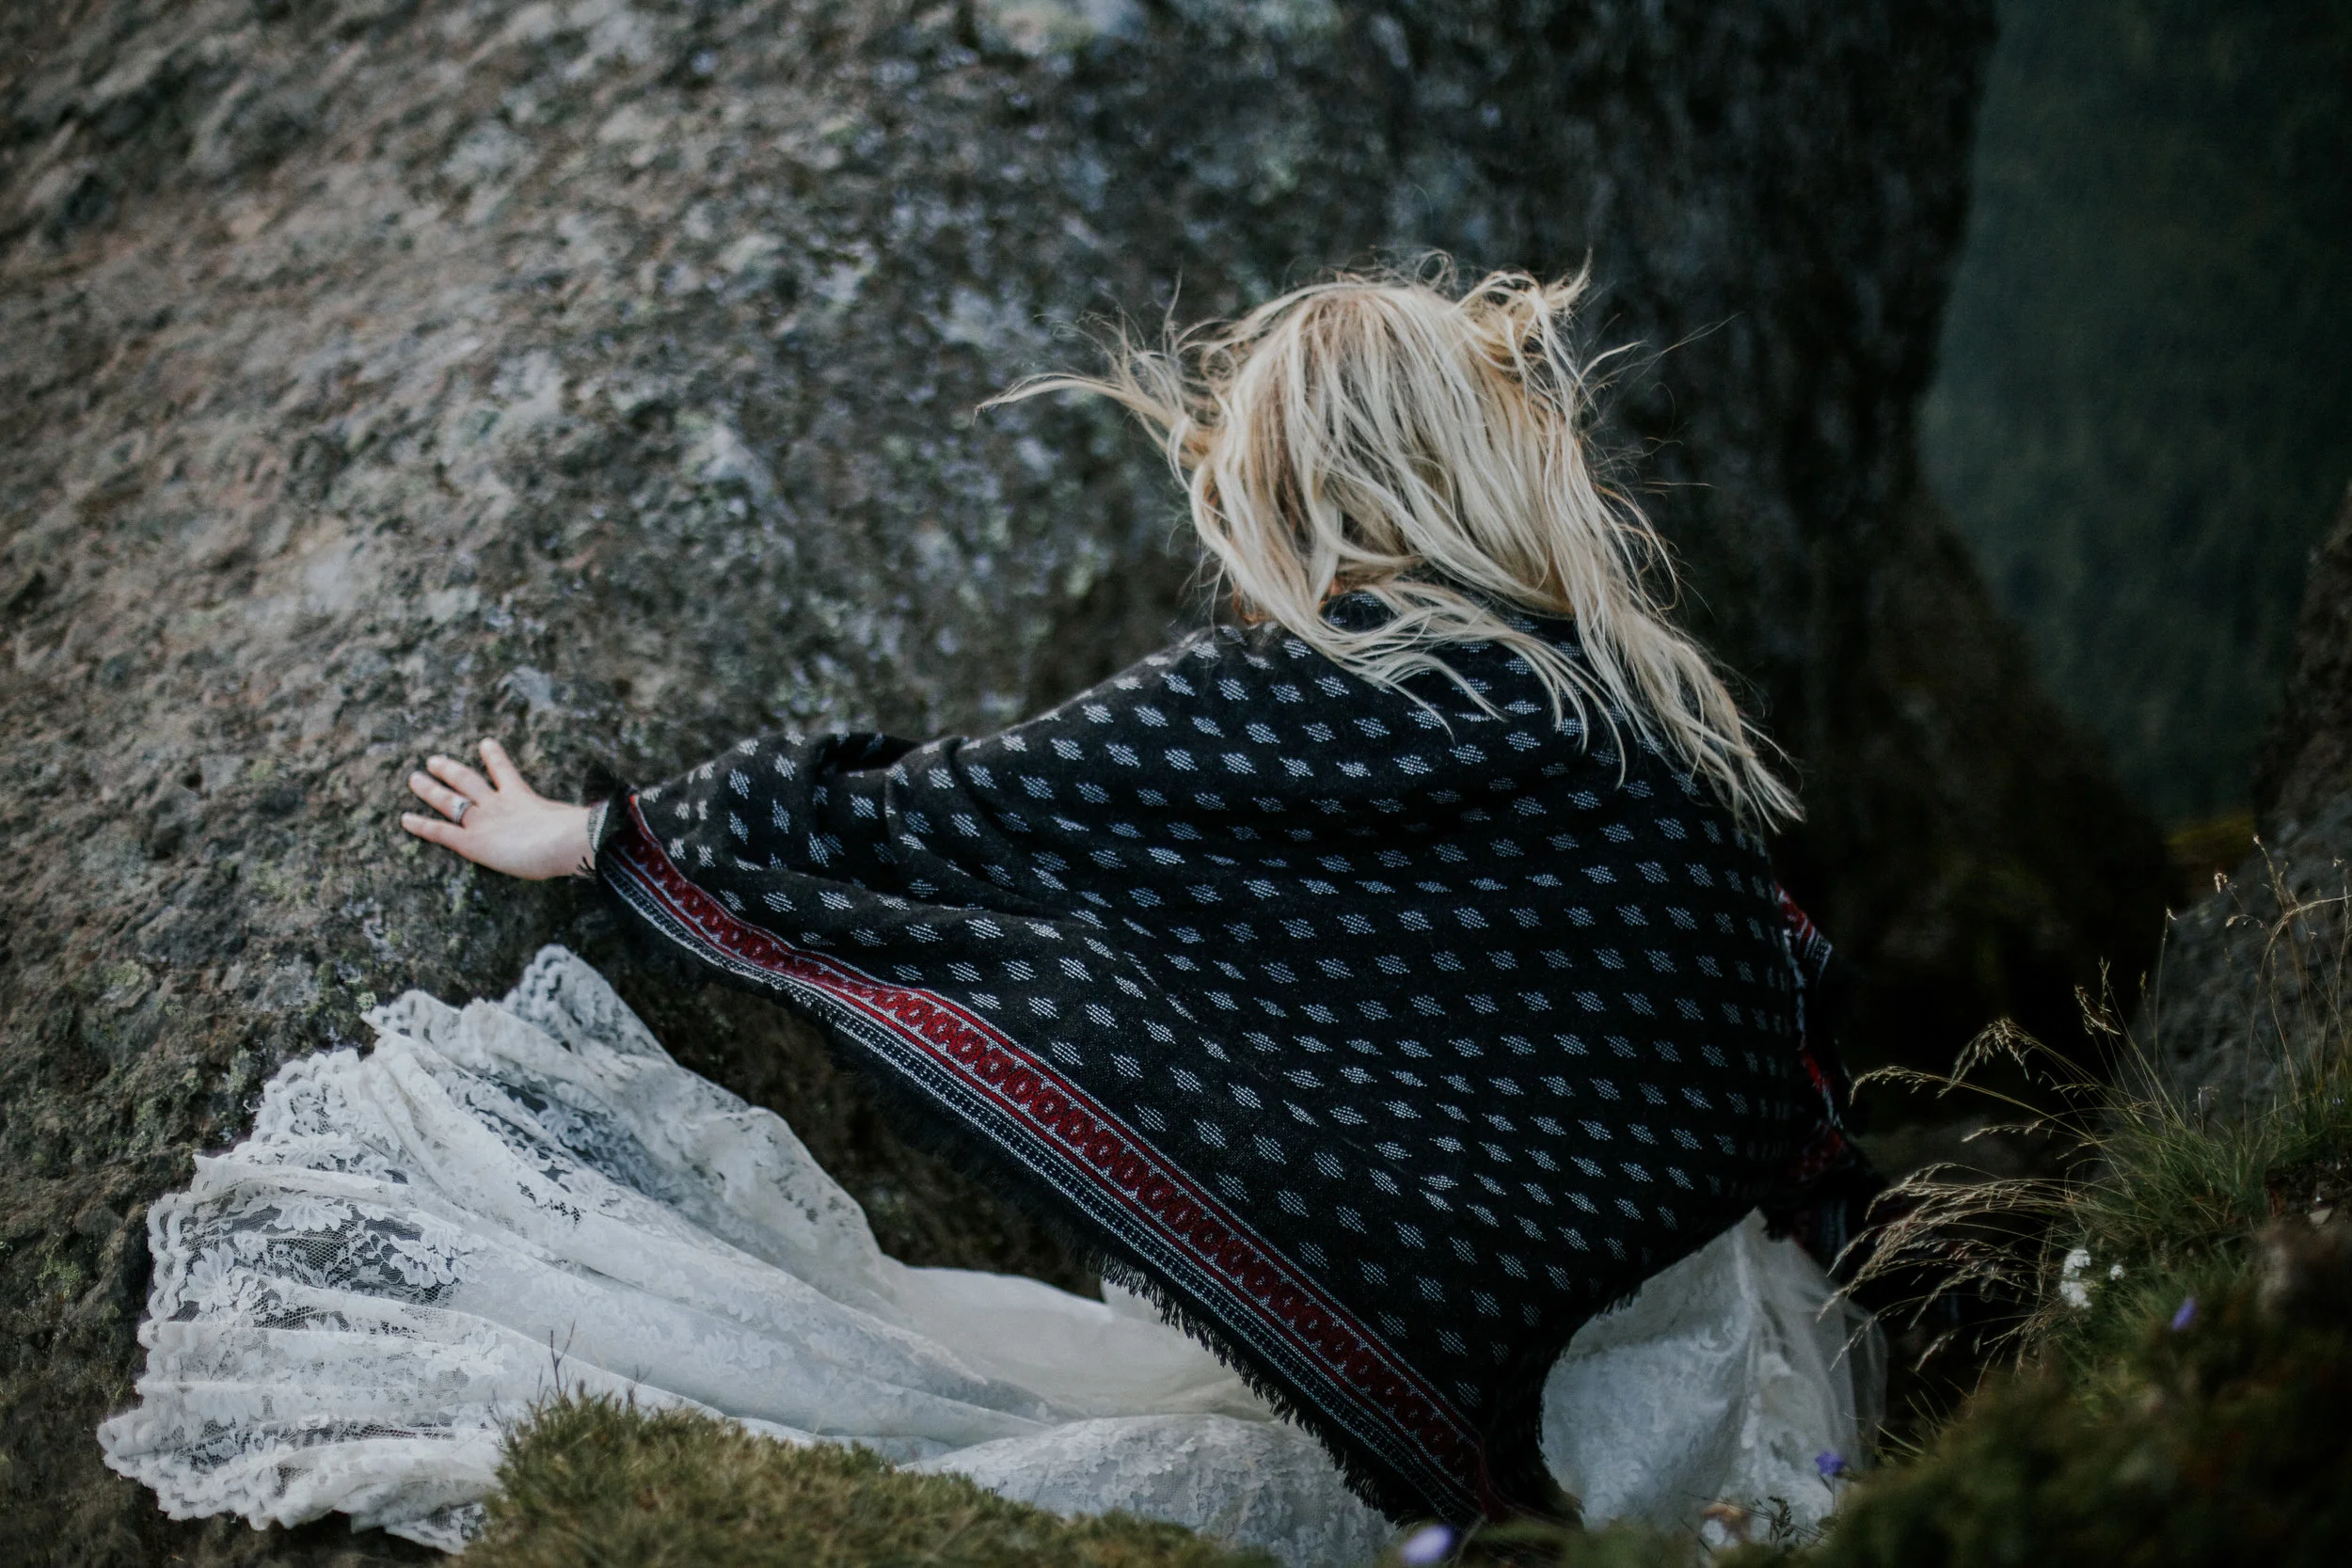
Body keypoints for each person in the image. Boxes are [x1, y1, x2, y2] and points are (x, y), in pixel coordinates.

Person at [395, 266, 1857, 1526]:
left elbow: (925, 821)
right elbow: (1751, 1037)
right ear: (1489, 452)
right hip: (1696, 1413)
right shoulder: (1630, 715)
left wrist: (606, 833)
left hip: (1456, 1440)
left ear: (1285, 482)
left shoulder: (1266, 700)